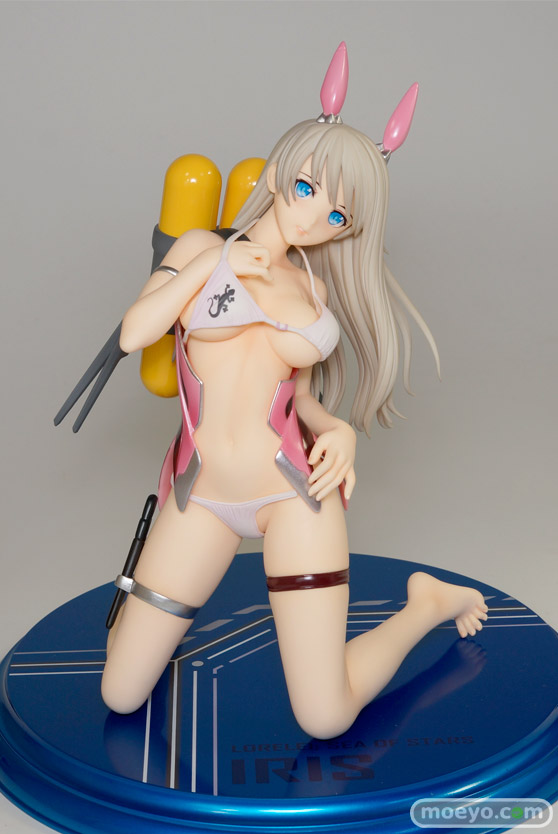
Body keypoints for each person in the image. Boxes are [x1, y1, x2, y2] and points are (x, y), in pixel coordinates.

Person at [100, 44, 488, 739]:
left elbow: (295, 398)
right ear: (279, 172)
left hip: (292, 494)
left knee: (325, 716)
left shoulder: (314, 289)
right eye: (308, 189)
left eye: (338, 216)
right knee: (121, 692)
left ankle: (424, 607)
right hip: (199, 495)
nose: (312, 219)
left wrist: (337, 430)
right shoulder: (197, 247)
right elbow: (135, 332)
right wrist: (217, 262)